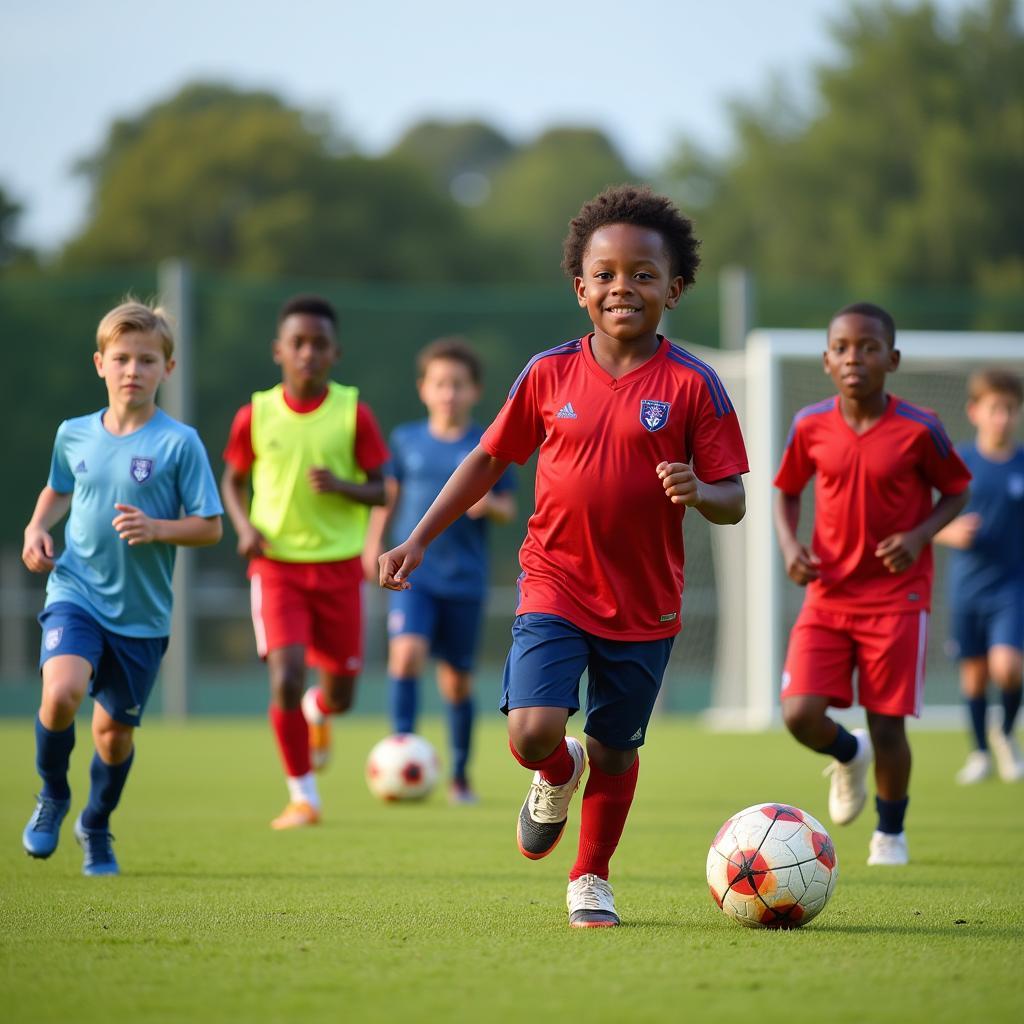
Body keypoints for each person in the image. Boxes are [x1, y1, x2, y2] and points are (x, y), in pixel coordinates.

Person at [379, 185, 748, 927]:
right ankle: (554, 773)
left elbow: (735, 497)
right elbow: (487, 462)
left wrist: (699, 489)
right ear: (580, 288)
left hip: (647, 602)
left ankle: (590, 877)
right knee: (533, 732)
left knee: (614, 750)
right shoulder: (548, 374)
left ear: (674, 289)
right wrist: (419, 536)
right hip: (555, 582)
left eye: (643, 274)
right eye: (605, 274)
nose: (623, 287)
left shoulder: (693, 385)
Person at [21, 300, 223, 875]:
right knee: (59, 695)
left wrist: (158, 528)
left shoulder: (179, 443)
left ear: (168, 368)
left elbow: (210, 527)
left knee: (112, 736)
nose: (133, 369)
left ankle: (97, 824)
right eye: (121, 358)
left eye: (146, 359)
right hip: (76, 590)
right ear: (99, 364)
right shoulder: (74, 434)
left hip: (141, 615)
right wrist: (38, 527)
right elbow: (59, 488)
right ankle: (53, 795)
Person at [774, 302, 972, 867]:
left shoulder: (920, 427)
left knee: (889, 724)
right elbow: (786, 490)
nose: (854, 357)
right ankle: (847, 753)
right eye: (842, 348)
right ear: (827, 360)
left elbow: (958, 490)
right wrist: (792, 547)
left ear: (893, 358)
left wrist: (919, 535)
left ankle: (890, 833)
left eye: (867, 347)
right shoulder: (810, 424)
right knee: (799, 713)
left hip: (897, 599)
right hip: (828, 594)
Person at [221, 294, 388, 829]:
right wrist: (245, 527)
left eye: (319, 344)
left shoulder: (353, 413)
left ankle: (320, 713)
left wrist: (343, 487)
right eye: (298, 343)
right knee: (286, 677)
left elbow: (383, 489)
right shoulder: (255, 413)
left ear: (335, 352)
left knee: (339, 695)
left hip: (339, 569)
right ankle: (303, 796)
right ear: (279, 351)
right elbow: (233, 478)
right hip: (276, 567)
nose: (308, 353)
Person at [364, 338, 516, 803]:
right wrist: (374, 545)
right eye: (440, 383)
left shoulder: (488, 444)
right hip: (416, 575)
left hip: (464, 579)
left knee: (456, 680)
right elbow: (387, 499)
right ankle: (401, 752)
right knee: (405, 654)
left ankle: (460, 777)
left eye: (458, 384)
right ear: (423, 389)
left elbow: (509, 508)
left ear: (474, 391)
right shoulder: (406, 441)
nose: (448, 392)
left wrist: (489, 505)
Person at [934, 368, 1024, 784]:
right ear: (975, 411)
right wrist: (949, 531)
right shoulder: (962, 462)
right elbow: (925, 518)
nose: (1002, 417)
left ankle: (1005, 733)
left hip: (1011, 586)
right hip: (967, 586)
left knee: (1007, 668)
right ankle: (980, 753)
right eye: (994, 408)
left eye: (1009, 409)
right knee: (973, 674)